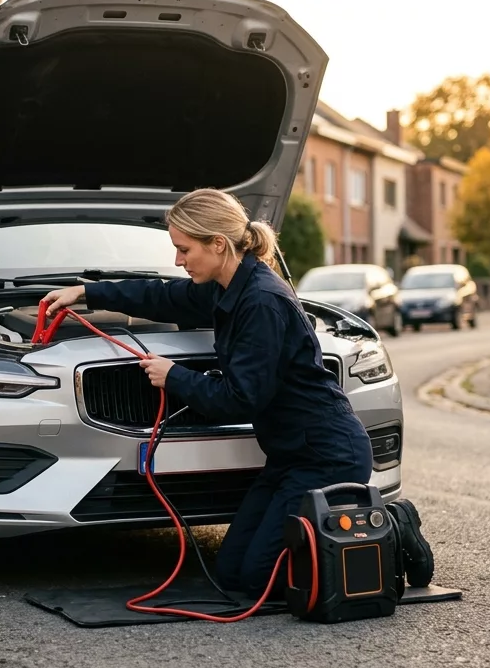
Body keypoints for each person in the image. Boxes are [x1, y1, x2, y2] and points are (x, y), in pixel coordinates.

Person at [41, 188, 434, 595]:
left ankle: (391, 524)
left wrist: (173, 376)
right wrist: (86, 293)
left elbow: (239, 399)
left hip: (327, 457)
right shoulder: (226, 287)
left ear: (218, 244)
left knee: (258, 579)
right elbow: (163, 295)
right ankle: (344, 534)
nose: (178, 260)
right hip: (289, 456)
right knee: (230, 574)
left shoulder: (261, 302)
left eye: (184, 249)